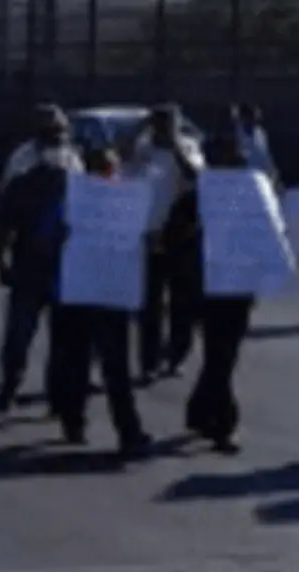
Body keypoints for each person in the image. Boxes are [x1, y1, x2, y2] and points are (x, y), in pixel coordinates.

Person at [46, 147, 151, 457]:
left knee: (107, 366)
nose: (111, 175)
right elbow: (52, 235)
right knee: (87, 364)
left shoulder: (122, 203)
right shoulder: (75, 199)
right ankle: (82, 423)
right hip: (83, 293)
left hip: (104, 293)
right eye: (107, 169)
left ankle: (120, 431)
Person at [170, 131, 253, 454]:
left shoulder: (252, 196)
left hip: (238, 287)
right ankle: (223, 425)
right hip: (209, 287)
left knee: (222, 356)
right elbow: (174, 237)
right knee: (220, 355)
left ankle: (199, 412)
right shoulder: (196, 198)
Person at [0, 106, 78, 410]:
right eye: (50, 131)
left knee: (64, 338)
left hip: (64, 264)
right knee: (19, 331)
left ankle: (58, 394)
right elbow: (5, 217)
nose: (56, 136)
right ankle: (9, 385)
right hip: (29, 262)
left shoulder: (73, 162)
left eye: (60, 131)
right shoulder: (22, 163)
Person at [128, 103, 205, 381]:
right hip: (148, 236)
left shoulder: (188, 147)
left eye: (168, 123)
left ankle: (175, 356)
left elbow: (195, 176)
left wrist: (174, 145)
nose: (162, 128)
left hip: (180, 237)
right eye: (158, 123)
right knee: (150, 304)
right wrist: (139, 130)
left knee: (181, 302)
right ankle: (148, 362)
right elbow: (121, 167)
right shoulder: (142, 149)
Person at [233, 102, 278, 187]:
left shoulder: (260, 132)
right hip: (247, 176)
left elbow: (265, 155)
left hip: (263, 175)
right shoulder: (238, 133)